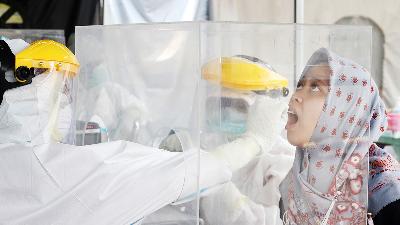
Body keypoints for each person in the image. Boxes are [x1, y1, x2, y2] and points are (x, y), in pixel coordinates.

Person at [0, 39, 288, 225]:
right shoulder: (61, 170)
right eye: (59, 94)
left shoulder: (282, 160)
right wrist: (253, 142)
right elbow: (169, 176)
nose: (65, 103)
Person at [279, 48, 400, 225]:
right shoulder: (296, 177)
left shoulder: (385, 191)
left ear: (346, 107)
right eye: (299, 85)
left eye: (314, 87)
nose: (295, 96)